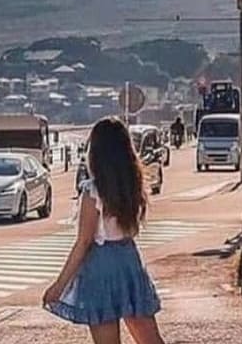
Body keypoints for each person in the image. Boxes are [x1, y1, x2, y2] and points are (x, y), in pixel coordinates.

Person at [43, 116, 165, 344]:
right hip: (130, 261)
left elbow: (84, 242)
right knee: (150, 339)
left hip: (101, 266)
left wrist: (59, 286)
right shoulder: (133, 186)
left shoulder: (93, 192)